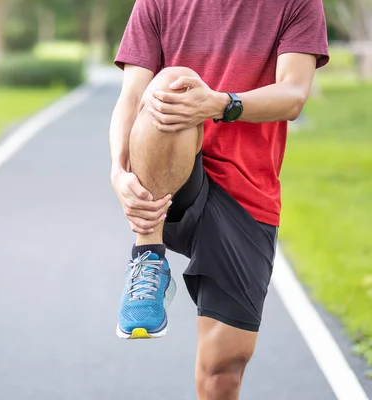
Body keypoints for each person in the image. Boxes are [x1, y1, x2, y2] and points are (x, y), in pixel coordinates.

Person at [110, 0, 329, 398]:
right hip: (170, 168)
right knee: (174, 78)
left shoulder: (299, 4)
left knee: (224, 366)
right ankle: (147, 252)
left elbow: (293, 94)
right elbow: (131, 97)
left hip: (247, 186)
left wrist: (220, 103)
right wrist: (117, 171)